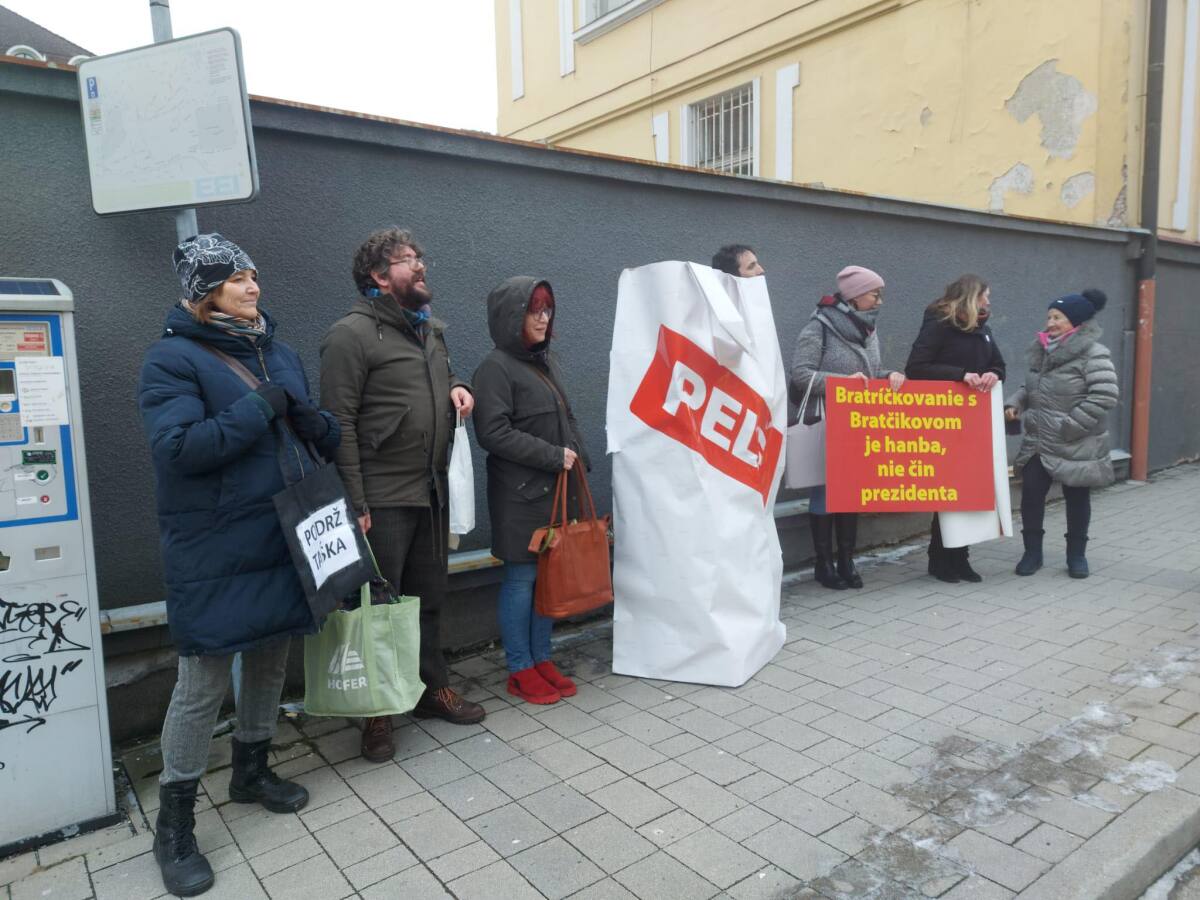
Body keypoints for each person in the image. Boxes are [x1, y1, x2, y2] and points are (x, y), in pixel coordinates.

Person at [139, 234, 340, 897]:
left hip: (280, 532)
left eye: (253, 274)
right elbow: (180, 448)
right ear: (204, 295)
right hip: (216, 548)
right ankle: (174, 825)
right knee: (202, 682)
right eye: (234, 279)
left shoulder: (277, 351)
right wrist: (263, 405)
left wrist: (313, 419)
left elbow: (312, 437)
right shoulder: (173, 359)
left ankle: (251, 771)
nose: (252, 286)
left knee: (272, 657)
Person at [320, 227, 485, 763]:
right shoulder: (350, 335)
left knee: (429, 597)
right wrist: (356, 502)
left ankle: (431, 689)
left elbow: (442, 375)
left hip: (431, 489)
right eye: (406, 260)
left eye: (419, 257)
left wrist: (458, 385)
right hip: (383, 497)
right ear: (377, 275)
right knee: (378, 609)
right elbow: (338, 422)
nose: (420, 267)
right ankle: (376, 714)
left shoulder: (429, 330)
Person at [472, 277, 589, 703]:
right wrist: (551, 455)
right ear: (512, 317)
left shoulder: (545, 361)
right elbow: (492, 432)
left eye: (547, 309)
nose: (543, 317)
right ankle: (520, 668)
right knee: (521, 579)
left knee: (548, 581)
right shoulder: (495, 367)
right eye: (533, 310)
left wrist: (580, 459)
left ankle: (543, 659)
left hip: (555, 491)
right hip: (519, 496)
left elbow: (567, 416)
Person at [789, 266, 905, 589]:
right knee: (826, 490)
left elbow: (873, 371)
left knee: (851, 491)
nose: (879, 299)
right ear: (854, 296)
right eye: (874, 293)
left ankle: (846, 560)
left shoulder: (869, 329)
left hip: (858, 425)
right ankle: (824, 564)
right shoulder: (819, 327)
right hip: (827, 421)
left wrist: (889, 376)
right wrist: (842, 384)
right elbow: (800, 374)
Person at [1005, 290, 1117, 578]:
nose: (1050, 322)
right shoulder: (1042, 350)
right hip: (1038, 441)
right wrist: (1015, 402)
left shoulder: (1094, 353)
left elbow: (1104, 395)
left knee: (1077, 498)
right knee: (1030, 494)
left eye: (1057, 317)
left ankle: (1076, 556)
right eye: (1049, 317)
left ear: (1076, 322)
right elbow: (1030, 386)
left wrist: (1070, 426)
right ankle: (1032, 554)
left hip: (1075, 440)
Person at [905, 274, 1006, 584]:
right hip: (942, 420)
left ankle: (960, 559)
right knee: (947, 493)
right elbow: (917, 368)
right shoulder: (939, 323)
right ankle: (940, 559)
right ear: (968, 297)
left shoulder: (983, 329)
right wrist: (961, 375)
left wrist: (991, 375)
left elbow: (999, 365)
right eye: (983, 296)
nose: (988, 302)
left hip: (973, 421)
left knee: (965, 491)